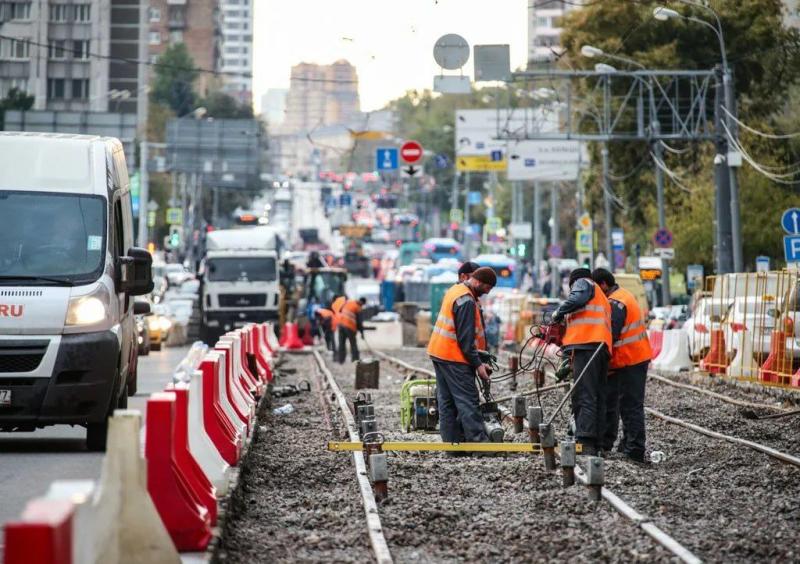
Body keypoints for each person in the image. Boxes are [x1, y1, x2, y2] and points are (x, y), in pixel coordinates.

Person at [427, 266, 497, 445]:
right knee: (467, 400)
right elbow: (466, 341)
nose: (486, 294)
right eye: (486, 289)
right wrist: (478, 366)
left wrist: (480, 359)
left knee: (447, 402)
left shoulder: (456, 290)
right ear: (479, 282)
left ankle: (453, 444)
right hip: (453, 357)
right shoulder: (466, 301)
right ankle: (479, 443)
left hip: (439, 353)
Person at [592, 268, 652, 464]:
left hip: (631, 360)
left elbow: (610, 334)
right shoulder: (624, 295)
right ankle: (627, 444)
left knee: (631, 405)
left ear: (603, 285)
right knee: (625, 404)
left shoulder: (616, 303)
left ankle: (634, 448)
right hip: (633, 359)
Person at [551, 268, 612, 456]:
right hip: (599, 347)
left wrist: (557, 313)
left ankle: (585, 440)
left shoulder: (583, 283)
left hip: (587, 346)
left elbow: (576, 299)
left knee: (584, 394)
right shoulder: (600, 295)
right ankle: (597, 442)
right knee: (597, 395)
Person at [336, 296, 366, 363]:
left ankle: (341, 360)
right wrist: (362, 333)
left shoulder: (348, 303)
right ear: (362, 302)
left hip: (341, 325)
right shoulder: (358, 308)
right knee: (353, 344)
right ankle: (355, 359)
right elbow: (359, 322)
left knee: (341, 344)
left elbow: (340, 310)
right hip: (350, 327)